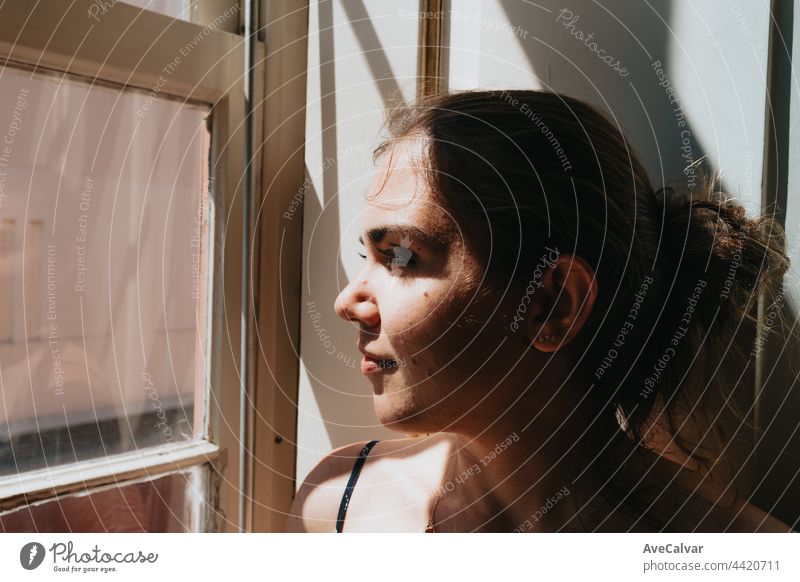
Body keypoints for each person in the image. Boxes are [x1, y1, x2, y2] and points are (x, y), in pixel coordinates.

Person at [286, 90, 794, 533]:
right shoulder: (337, 506)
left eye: (400, 256)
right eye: (366, 256)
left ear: (554, 304)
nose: (346, 302)